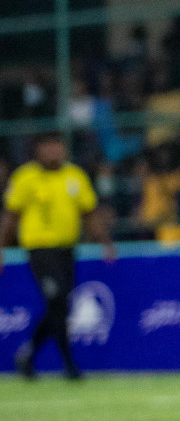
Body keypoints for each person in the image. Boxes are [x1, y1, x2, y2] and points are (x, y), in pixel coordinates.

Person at [2, 133, 116, 379]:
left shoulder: (75, 176)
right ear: (38, 150)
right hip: (40, 252)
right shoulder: (25, 178)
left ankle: (29, 353)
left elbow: (90, 213)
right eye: (48, 146)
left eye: (58, 146)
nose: (54, 151)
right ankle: (69, 365)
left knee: (61, 305)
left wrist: (105, 242)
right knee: (57, 300)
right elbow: (11, 218)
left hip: (67, 251)